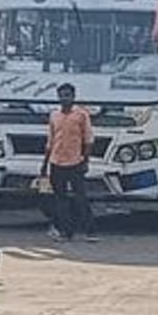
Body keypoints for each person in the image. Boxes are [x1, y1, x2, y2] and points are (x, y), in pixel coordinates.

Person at [41, 83, 97, 242]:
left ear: (73, 97)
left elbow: (88, 140)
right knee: (60, 200)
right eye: (62, 95)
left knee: (80, 198)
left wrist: (85, 161)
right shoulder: (54, 115)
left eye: (68, 95)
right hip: (56, 162)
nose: (65, 98)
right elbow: (50, 141)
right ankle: (66, 232)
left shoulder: (81, 115)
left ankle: (90, 231)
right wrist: (44, 165)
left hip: (75, 162)